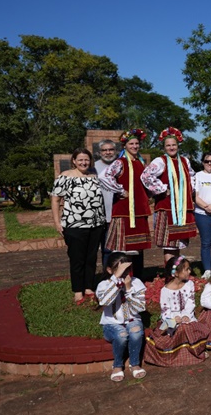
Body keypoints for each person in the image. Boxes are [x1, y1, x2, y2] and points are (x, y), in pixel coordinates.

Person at [52, 148, 107, 304]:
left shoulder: (95, 177)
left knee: (91, 258)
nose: (84, 162)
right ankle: (78, 290)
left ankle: (89, 287)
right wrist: (57, 222)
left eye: (86, 160)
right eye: (80, 160)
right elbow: (56, 200)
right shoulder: (65, 177)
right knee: (77, 258)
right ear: (74, 161)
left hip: (96, 225)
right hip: (74, 225)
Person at [101, 129, 152, 281]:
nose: (135, 146)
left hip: (139, 210)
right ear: (125, 145)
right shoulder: (120, 162)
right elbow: (104, 176)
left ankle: (136, 279)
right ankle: (119, 279)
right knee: (122, 248)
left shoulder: (141, 163)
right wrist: (120, 190)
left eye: (137, 143)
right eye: (131, 143)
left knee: (137, 248)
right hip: (124, 211)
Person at [141, 127, 197, 266]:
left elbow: (192, 176)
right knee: (169, 243)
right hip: (167, 208)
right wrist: (161, 189)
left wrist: (189, 191)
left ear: (178, 145)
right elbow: (146, 175)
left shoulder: (184, 161)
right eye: (168, 145)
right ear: (164, 147)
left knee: (177, 242)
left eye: (173, 145)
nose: (171, 147)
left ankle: (176, 272)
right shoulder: (160, 161)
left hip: (182, 208)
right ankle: (170, 274)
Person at [145, 256, 209, 366]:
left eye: (189, 268)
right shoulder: (165, 290)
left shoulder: (189, 284)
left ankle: (192, 352)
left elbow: (191, 302)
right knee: (175, 331)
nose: (190, 271)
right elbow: (165, 310)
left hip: (187, 316)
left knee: (186, 327)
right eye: (186, 269)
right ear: (176, 273)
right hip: (171, 320)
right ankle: (177, 355)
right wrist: (173, 320)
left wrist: (186, 315)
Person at [96, 252, 147, 382]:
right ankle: (117, 365)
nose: (125, 274)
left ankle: (134, 363)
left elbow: (140, 308)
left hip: (132, 319)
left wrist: (129, 289)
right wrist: (116, 281)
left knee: (136, 332)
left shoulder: (136, 283)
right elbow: (105, 302)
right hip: (111, 323)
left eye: (127, 270)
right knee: (122, 335)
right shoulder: (103, 285)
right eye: (121, 271)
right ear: (109, 270)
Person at [94, 139, 118, 267]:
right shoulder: (93, 168)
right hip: (100, 215)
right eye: (104, 150)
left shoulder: (121, 165)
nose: (108, 152)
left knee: (117, 249)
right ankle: (106, 278)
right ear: (99, 152)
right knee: (105, 249)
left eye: (111, 150)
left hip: (118, 214)